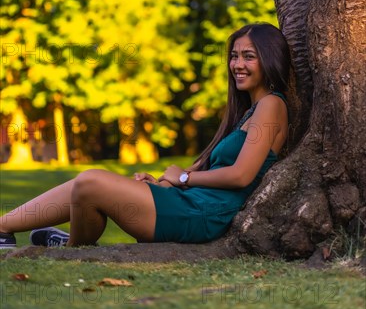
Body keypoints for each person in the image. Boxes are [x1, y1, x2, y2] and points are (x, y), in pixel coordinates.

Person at [0, 22, 290, 249]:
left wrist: (185, 179)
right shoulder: (249, 111)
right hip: (188, 202)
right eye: (234, 56)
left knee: (90, 181)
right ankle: (4, 227)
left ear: (269, 60)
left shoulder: (271, 105)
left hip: (202, 214)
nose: (237, 65)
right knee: (83, 186)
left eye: (248, 57)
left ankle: (71, 247)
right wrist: (163, 182)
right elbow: (203, 167)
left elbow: (241, 175)